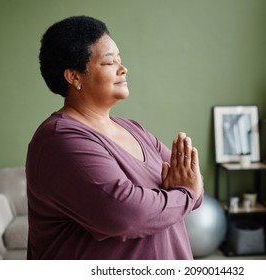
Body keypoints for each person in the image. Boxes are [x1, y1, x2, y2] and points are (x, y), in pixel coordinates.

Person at [26, 15, 204, 260]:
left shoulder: (134, 129)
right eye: (109, 63)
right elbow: (124, 215)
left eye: (120, 60)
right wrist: (184, 194)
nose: (123, 68)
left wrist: (186, 192)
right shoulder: (59, 139)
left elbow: (193, 183)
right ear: (74, 77)